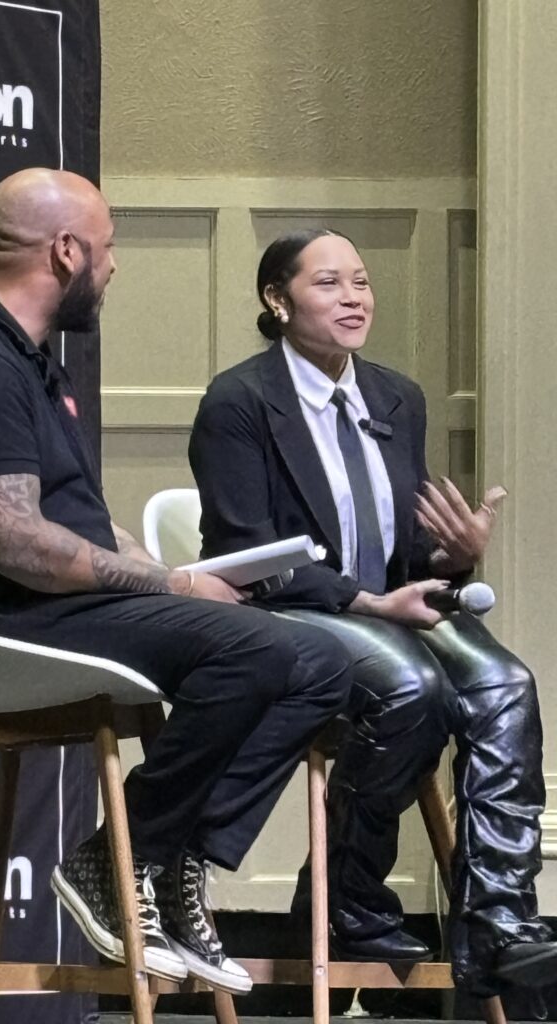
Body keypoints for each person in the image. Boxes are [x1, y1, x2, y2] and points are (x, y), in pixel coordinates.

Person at [0, 171, 354, 995]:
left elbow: (85, 527)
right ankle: (118, 854)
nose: (113, 268)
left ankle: (169, 860)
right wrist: (171, 585)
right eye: (107, 249)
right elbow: (19, 545)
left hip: (60, 604)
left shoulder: (28, 360)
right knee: (255, 654)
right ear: (66, 252)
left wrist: (193, 577)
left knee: (321, 660)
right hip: (5, 621)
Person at [188, 228, 556, 997]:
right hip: (288, 614)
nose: (354, 298)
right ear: (276, 300)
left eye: (361, 282)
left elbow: (408, 558)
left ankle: (496, 921)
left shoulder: (396, 397)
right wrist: (365, 601)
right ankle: (345, 899)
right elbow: (248, 554)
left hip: (384, 610)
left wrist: (455, 555)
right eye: (329, 284)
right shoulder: (240, 402)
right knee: (411, 686)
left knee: (505, 685)